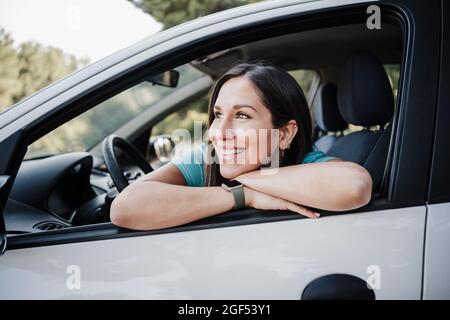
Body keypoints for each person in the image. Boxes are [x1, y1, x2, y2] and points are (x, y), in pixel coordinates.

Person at [110, 61, 372, 230]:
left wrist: (249, 176)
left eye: (242, 116)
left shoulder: (307, 166)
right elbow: (125, 208)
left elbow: (355, 186)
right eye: (218, 115)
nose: (218, 133)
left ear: (284, 134)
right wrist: (245, 195)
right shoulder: (208, 158)